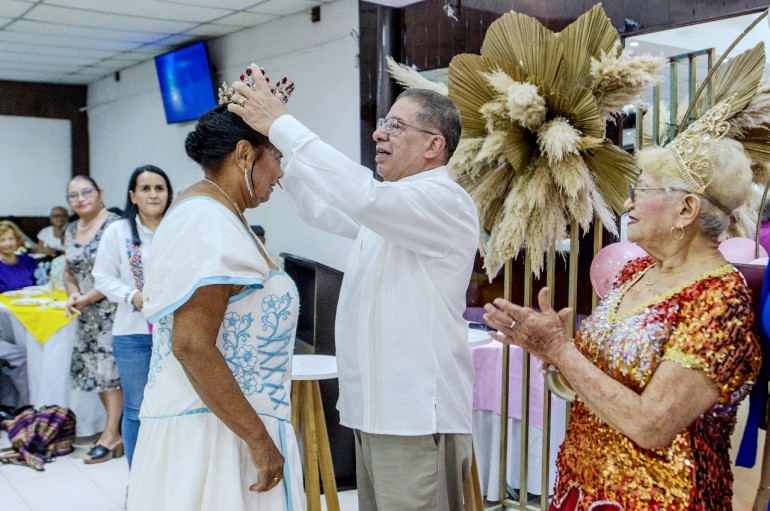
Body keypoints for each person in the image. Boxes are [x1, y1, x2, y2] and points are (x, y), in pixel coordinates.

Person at [483, 105, 761, 510]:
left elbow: (651, 425)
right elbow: (594, 383)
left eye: (641, 191)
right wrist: (553, 353)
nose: (628, 205)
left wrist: (561, 349)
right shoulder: (634, 272)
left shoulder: (720, 301)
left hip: (661, 498)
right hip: (582, 485)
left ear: (686, 209)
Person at [230, 66, 479, 510]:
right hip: (375, 412)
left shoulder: (444, 201)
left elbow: (362, 196)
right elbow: (322, 207)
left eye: (396, 126)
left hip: (416, 416)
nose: (380, 134)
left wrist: (282, 124)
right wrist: (273, 145)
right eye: (383, 123)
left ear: (433, 145)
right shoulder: (391, 208)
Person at [127, 102, 305, 511]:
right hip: (215, 435)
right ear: (244, 154)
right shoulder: (206, 221)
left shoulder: (220, 212)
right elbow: (191, 345)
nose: (280, 173)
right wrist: (257, 439)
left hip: (228, 421)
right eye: (277, 157)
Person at [92, 165, 173, 469]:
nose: (153, 194)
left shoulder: (177, 228)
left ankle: (169, 480)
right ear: (133, 195)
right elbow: (102, 277)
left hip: (177, 331)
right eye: (145, 188)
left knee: (174, 407)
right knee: (137, 408)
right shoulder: (118, 231)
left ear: (168, 194)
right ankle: (138, 481)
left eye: (159, 188)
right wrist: (132, 296)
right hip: (132, 334)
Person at [62, 175, 122, 463]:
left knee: (111, 376)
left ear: (101, 193)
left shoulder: (115, 225)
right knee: (98, 376)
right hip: (87, 315)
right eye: (73, 195)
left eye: (86, 192)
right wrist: (74, 295)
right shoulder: (71, 228)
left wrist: (87, 298)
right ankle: (115, 433)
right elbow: (68, 271)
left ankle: (110, 437)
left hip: (113, 310)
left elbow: (118, 272)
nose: (80, 198)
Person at [0, 220, 38, 292]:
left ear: (17, 240)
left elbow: (38, 287)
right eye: (2, 240)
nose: (8, 243)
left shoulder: (29, 262)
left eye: (11, 239)